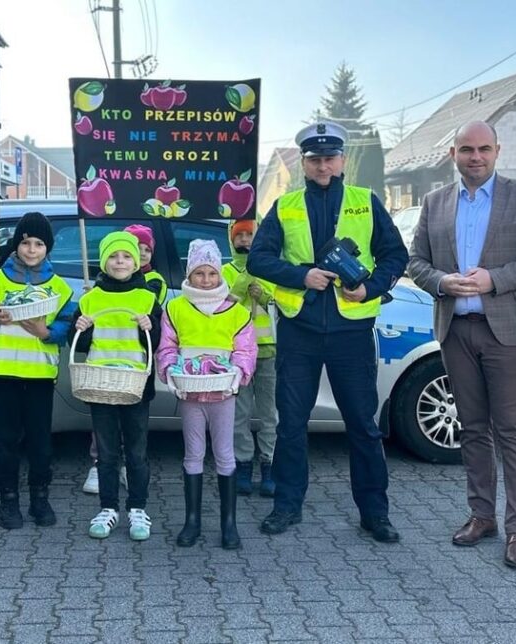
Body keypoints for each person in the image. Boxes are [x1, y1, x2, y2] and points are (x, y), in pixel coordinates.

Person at [248, 121, 408, 543]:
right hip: (300, 329)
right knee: (290, 424)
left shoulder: (365, 201)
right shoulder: (285, 206)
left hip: (351, 331)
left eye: (330, 158)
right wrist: (303, 275)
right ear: (304, 162)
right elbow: (258, 260)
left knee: (363, 425)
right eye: (315, 159)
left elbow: (396, 255)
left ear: (342, 162)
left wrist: (368, 287)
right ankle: (287, 505)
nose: (323, 166)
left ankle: (375, 513)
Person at [407, 120, 516, 568]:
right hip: (456, 331)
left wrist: (495, 280)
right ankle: (481, 515)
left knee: (513, 432)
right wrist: (441, 282)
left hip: (506, 332)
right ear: (452, 154)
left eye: (483, 149)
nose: (475, 157)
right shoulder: (435, 203)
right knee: (471, 428)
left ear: (497, 151)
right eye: (466, 149)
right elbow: (416, 260)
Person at [0, 212, 76, 530]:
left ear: (48, 248)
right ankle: (8, 500)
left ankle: (40, 499)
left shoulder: (60, 287)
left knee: (40, 442)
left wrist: (48, 333)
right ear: (15, 245)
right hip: (2, 374)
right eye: (25, 243)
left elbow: (68, 326)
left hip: (41, 377)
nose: (31, 249)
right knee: (5, 441)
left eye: (39, 244)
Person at [157, 239, 256, 550]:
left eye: (211, 273)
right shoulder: (175, 308)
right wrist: (169, 370)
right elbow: (167, 346)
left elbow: (246, 349)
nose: (206, 280)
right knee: (193, 453)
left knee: (225, 454)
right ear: (189, 275)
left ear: (219, 274)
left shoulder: (236, 312)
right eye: (199, 273)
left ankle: (229, 523)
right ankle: (192, 521)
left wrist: (238, 374)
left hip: (223, 394)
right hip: (190, 394)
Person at [73, 231, 161, 541]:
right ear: (104, 261)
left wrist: (150, 327)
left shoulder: (148, 297)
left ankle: (138, 508)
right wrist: (81, 328)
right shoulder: (89, 298)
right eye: (113, 256)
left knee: (137, 454)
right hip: (101, 385)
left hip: (136, 388)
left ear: (136, 262)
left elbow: (157, 343)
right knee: (107, 454)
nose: (120, 261)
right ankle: (108, 508)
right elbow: (80, 345)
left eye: (126, 256)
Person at [223, 219, 278, 496]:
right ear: (231, 239)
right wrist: (245, 280)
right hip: (238, 354)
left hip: (268, 350)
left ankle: (269, 464)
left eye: (249, 234)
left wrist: (265, 295)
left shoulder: (269, 268)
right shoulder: (225, 271)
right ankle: (243, 464)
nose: (244, 240)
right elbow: (225, 304)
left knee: (269, 413)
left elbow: (280, 304)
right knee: (239, 414)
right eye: (239, 235)